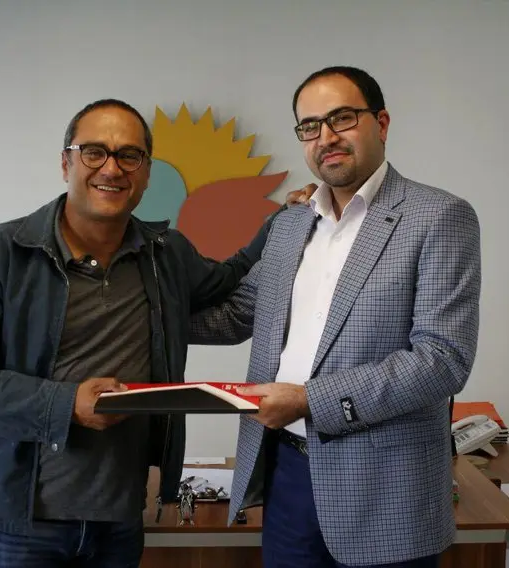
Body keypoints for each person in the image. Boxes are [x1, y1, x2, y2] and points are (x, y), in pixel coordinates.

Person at [0, 98, 305, 568]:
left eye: (129, 155)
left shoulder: (165, 255)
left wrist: (283, 222)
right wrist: (65, 405)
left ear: (146, 172)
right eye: (94, 151)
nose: (112, 168)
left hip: (118, 516)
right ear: (66, 163)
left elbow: (230, 278)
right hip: (17, 524)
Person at [190, 66, 482, 567]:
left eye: (342, 118)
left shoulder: (438, 217)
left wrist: (308, 401)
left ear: (381, 123)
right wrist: (136, 314)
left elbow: (442, 359)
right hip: (287, 476)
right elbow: (239, 314)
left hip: (386, 489)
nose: (325, 137)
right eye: (310, 126)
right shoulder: (290, 224)